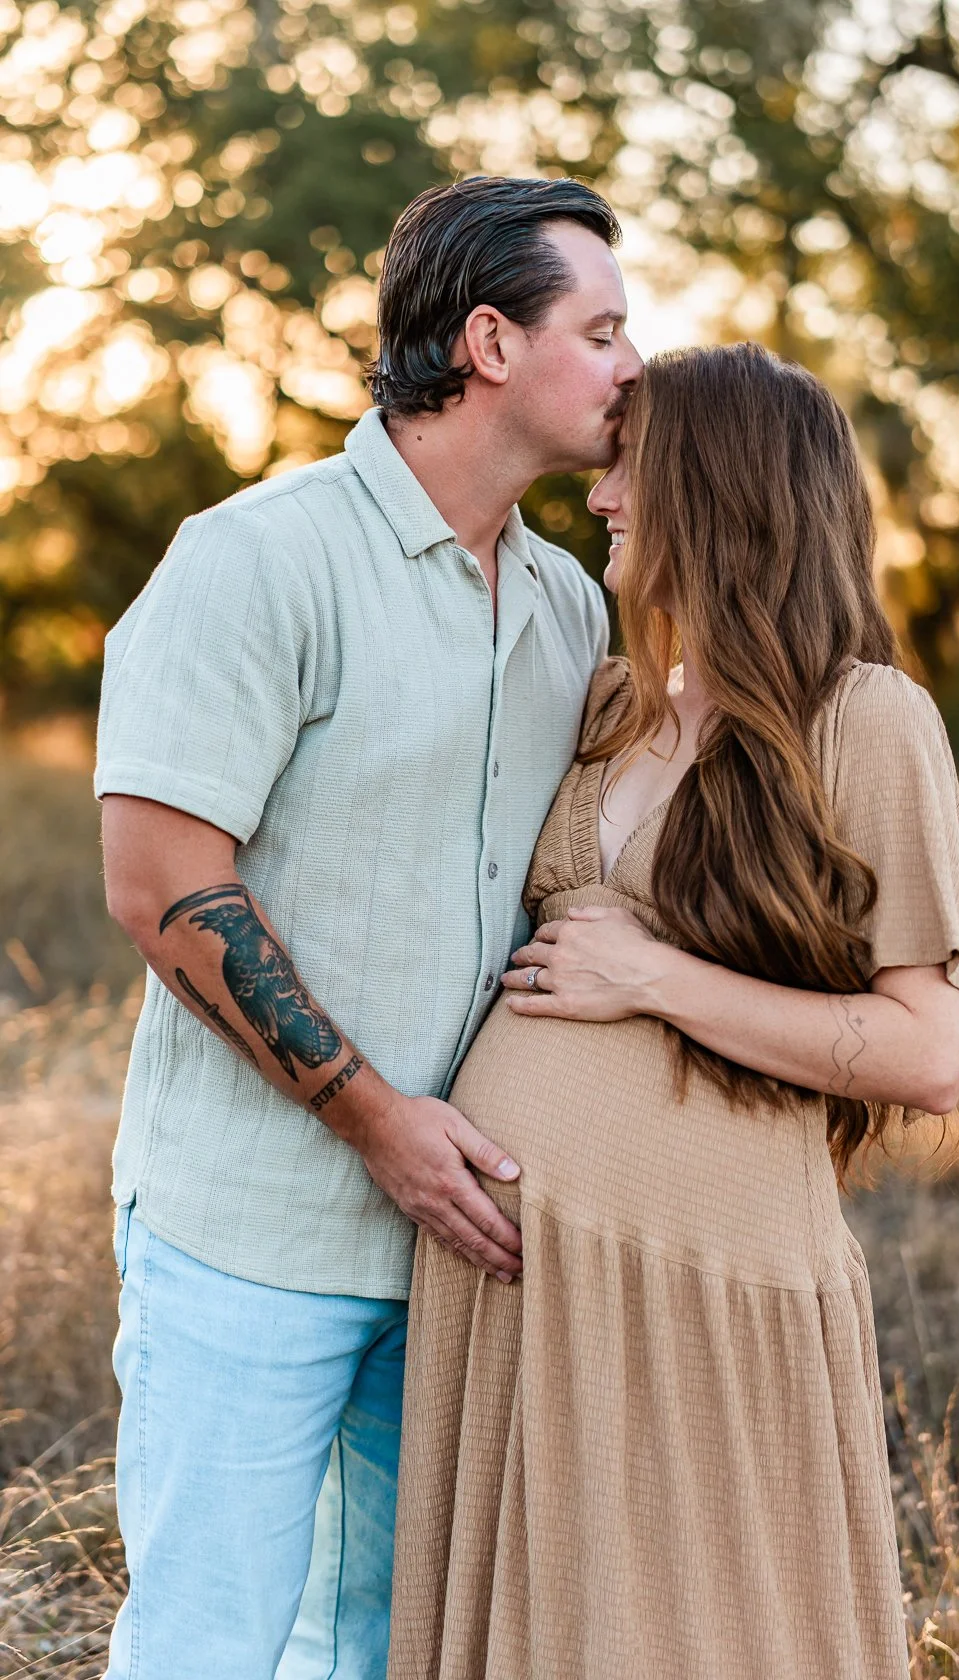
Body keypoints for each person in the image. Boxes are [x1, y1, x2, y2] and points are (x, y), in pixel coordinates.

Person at [93, 175, 642, 1680]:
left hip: (465, 1259)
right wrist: (377, 1120)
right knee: (208, 1649)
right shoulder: (255, 559)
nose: (632, 366)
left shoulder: (570, 608)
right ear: (487, 342)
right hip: (248, 1238)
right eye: (601, 331)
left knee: (397, 1653)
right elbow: (161, 886)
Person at [387, 341, 959, 1680]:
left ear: (723, 491)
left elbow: (929, 1054)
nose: (602, 497)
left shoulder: (866, 722)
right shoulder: (606, 708)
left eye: (630, 471)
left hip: (705, 1286)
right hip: (530, 1284)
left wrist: (649, 977)